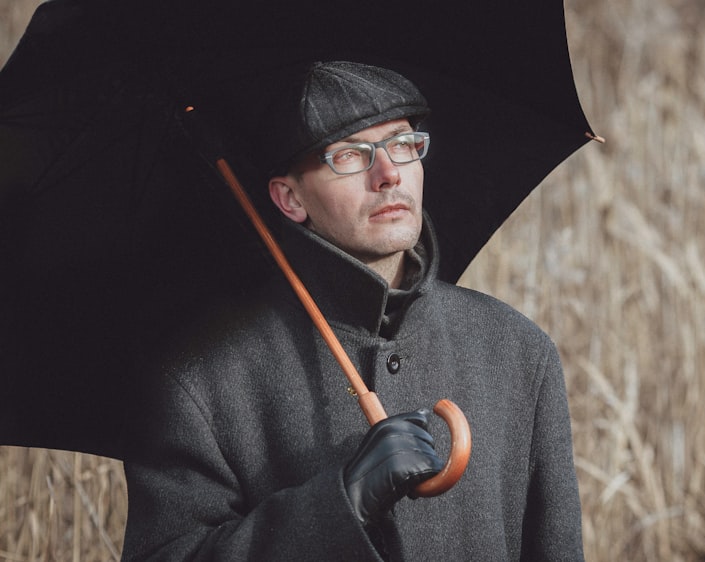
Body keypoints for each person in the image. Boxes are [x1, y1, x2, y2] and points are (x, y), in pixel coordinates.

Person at [122, 61, 584, 560]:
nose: (387, 175)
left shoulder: (515, 350)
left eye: (403, 144)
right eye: (350, 155)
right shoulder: (202, 383)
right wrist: (342, 503)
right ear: (290, 198)